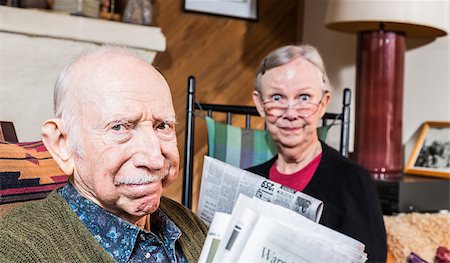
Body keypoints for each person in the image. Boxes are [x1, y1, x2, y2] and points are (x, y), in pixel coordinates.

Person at [0, 46, 207, 262]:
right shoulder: (17, 251)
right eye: (119, 127)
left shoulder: (188, 223)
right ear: (62, 143)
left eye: (163, 125)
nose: (155, 159)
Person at [247, 44, 387, 262]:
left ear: (323, 104)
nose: (290, 113)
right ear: (259, 104)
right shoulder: (247, 180)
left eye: (304, 98)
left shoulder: (353, 181)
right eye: (277, 98)